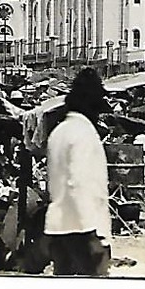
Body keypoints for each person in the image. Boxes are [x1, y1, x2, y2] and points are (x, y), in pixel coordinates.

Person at [45, 67, 113, 277]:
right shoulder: (83, 133)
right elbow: (79, 184)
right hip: (82, 231)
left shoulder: (59, 131)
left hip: (59, 226)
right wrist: (92, 234)